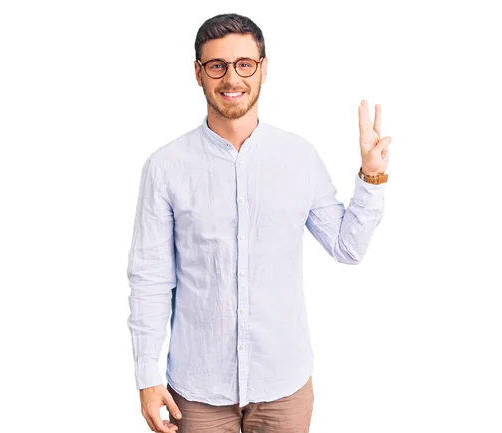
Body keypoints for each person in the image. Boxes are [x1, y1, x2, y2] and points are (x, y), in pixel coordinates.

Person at [126, 12, 391, 433]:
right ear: (198, 73)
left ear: (263, 69)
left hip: (283, 386)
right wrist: (146, 374)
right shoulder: (166, 167)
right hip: (197, 392)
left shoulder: (298, 157)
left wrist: (371, 175)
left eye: (244, 64)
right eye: (217, 66)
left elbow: (348, 248)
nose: (232, 79)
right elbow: (151, 279)